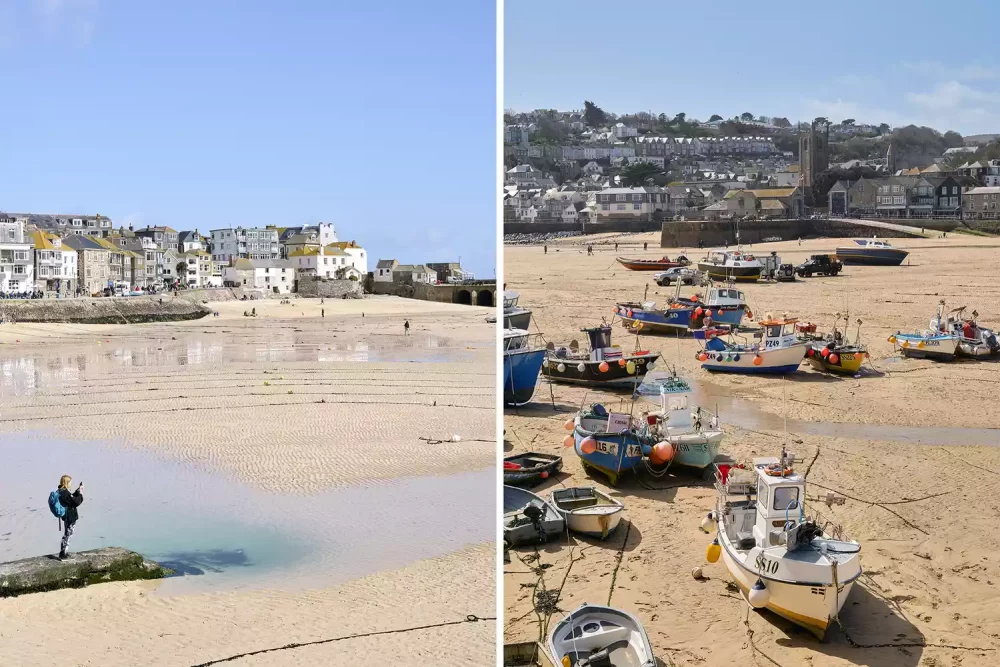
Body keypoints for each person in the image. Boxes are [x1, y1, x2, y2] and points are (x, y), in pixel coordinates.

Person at [56, 475, 83, 560]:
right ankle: (63, 554)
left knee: (67, 533)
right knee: (68, 533)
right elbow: (75, 502)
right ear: (66, 482)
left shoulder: (60, 491)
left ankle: (63, 552)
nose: (71, 484)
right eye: (70, 482)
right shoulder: (64, 492)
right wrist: (80, 494)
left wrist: (77, 492)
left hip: (66, 516)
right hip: (69, 516)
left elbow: (71, 498)